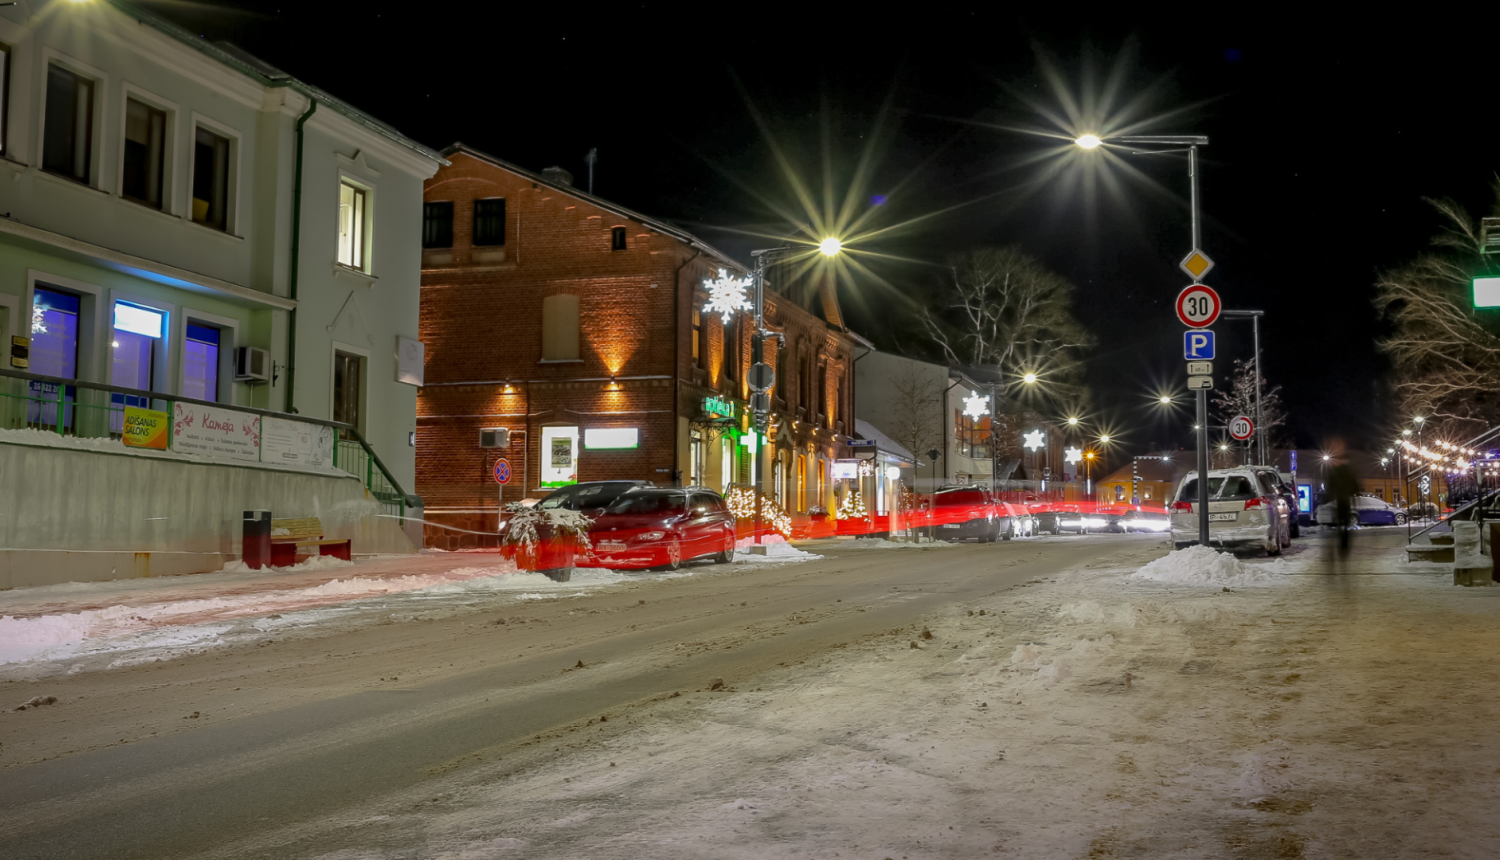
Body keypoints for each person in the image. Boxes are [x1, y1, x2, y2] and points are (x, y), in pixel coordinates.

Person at [1327, 463, 1360, 556]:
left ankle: (1341, 544)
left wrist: (1330, 497)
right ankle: (1344, 545)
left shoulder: (1335, 475)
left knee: (1340, 524)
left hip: (1340, 504)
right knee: (1345, 524)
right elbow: (1355, 488)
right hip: (1346, 504)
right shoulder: (1349, 475)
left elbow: (1330, 488)